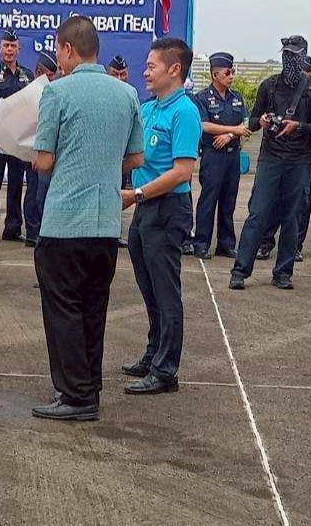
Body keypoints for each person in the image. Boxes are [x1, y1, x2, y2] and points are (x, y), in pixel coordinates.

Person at [30, 17, 143, 422]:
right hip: (106, 223)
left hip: (64, 221)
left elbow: (44, 161)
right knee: (94, 308)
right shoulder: (127, 93)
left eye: (58, 50)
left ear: (67, 49)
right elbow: (136, 158)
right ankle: (88, 386)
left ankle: (75, 395)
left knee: (63, 309)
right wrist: (102, 164)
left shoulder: (57, 92)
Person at [121, 38, 200, 395]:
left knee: (166, 292)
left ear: (175, 69)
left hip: (168, 209)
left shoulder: (184, 112)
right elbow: (136, 156)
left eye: (152, 66)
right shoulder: (149, 108)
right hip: (145, 207)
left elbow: (182, 171)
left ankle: (166, 370)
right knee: (149, 287)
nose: (146, 72)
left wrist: (136, 194)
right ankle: (153, 354)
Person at [230, 35, 311, 291]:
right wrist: (261, 122)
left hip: (300, 160)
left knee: (292, 218)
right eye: (285, 55)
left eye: (293, 55)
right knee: (258, 213)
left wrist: (298, 125)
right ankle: (240, 270)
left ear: (302, 56)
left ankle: (283, 272)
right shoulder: (269, 86)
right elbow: (253, 121)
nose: (289, 60)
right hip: (271, 158)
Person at [190, 52, 249, 259]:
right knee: (208, 200)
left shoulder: (237, 98)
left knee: (228, 201)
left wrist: (230, 135)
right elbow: (203, 125)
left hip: (233, 156)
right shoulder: (202, 98)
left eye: (232, 72)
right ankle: (201, 243)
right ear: (215, 74)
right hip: (213, 156)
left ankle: (226, 243)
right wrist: (232, 130)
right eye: (227, 73)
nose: (231, 76)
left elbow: (245, 124)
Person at [0, 30, 34, 243]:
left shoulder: (27, 76)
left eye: (13, 46)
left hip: (18, 140)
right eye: (6, 46)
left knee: (16, 185)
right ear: (0, 48)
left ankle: (13, 228)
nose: (9, 50)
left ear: (19, 49)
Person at [22, 51, 59, 247]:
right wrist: (32, 155)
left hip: (51, 153)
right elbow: (27, 128)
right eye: (48, 75)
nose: (51, 79)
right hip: (34, 152)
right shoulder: (30, 94)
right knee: (35, 193)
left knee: (45, 193)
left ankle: (44, 230)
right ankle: (32, 231)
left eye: (53, 75)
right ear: (38, 73)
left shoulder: (56, 92)